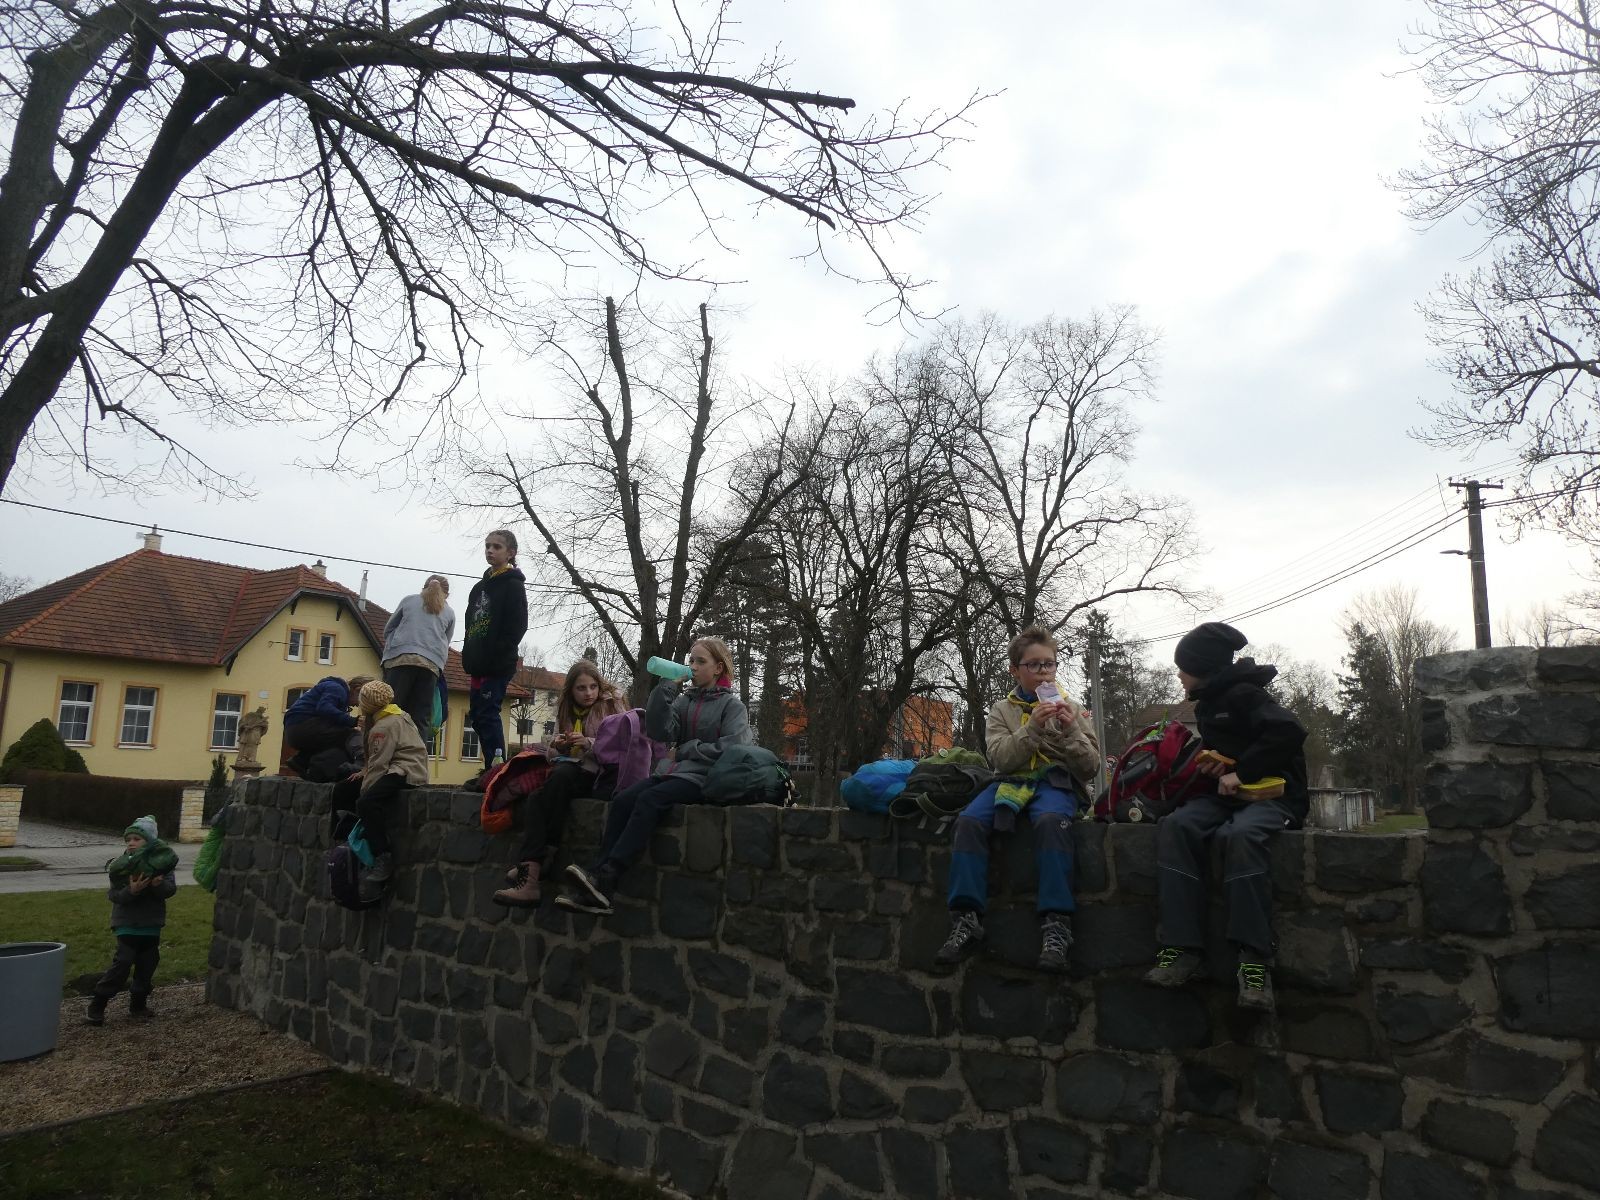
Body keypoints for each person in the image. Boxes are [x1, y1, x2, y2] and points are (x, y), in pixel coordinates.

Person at [1144, 621, 1308, 1013]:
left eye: (1183, 668)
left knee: (1240, 837)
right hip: (1231, 796)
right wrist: (1217, 765)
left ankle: (1254, 960)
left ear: (1202, 668)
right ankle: (1183, 948)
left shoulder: (1245, 694)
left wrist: (1243, 770)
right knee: (1177, 826)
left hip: (1274, 796)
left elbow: (1289, 731)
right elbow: (1234, 751)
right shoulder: (1208, 704)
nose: (1179, 675)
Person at [935, 625, 1100, 973]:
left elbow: (1090, 768)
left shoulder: (1071, 707)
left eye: (1049, 664)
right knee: (968, 822)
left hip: (1054, 781)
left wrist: (1071, 729)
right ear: (1015, 670)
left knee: (1052, 822)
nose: (1044, 672)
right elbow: (1000, 759)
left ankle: (1057, 924)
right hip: (1009, 781)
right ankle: (966, 918)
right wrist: (1032, 728)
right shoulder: (1001, 710)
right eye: (1034, 665)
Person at [557, 638, 750, 916]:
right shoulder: (684, 701)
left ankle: (609, 876)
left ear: (718, 668)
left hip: (705, 778)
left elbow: (733, 748)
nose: (693, 666)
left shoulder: (733, 707)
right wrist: (666, 688)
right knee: (623, 800)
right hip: (675, 773)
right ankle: (596, 881)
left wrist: (684, 751)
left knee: (650, 799)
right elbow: (660, 731)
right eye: (691, 660)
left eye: (700, 661)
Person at [493, 659, 628, 907]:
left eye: (592, 687)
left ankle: (535, 866)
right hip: (570, 771)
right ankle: (532, 872)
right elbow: (551, 754)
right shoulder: (565, 709)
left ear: (599, 686)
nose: (588, 693)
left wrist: (588, 743)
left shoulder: (611, 706)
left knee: (557, 781)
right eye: (581, 688)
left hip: (602, 775)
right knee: (537, 797)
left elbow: (621, 746)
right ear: (571, 690)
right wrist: (558, 746)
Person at [330, 680, 430, 902]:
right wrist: (364, 771)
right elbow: (375, 761)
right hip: (412, 767)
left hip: (403, 771)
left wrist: (366, 789)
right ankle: (343, 835)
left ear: (367, 704)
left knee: (366, 803)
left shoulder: (382, 727)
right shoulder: (397, 714)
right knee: (346, 788)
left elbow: (379, 765)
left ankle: (382, 855)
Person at [85, 816, 179, 1025]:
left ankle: (138, 1004)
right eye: (128, 840)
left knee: (147, 964)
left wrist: (157, 885)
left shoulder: (162, 864)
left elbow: (170, 890)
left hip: (151, 924)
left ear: (150, 842)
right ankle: (98, 1004)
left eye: (137, 839)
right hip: (126, 923)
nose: (131, 843)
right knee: (123, 963)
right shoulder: (122, 866)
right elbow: (114, 895)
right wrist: (132, 891)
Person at [461, 530, 528, 788]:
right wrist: (470, 654)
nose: (490, 550)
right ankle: (490, 764)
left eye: (497, 547)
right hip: (478, 663)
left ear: (510, 553)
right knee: (477, 715)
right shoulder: (479, 588)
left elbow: (517, 626)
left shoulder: (513, 585)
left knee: (489, 713)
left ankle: (498, 770)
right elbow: (470, 624)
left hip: (497, 663)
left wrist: (498, 651)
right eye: (488, 546)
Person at [381, 574, 455, 744]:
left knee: (391, 709)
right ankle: (417, 755)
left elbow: (388, 629)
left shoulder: (409, 601)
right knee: (421, 716)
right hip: (430, 666)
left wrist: (395, 645)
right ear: (447, 595)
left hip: (400, 659)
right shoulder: (449, 612)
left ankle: (386, 749)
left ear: (423, 588)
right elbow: (446, 641)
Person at [283, 675, 356, 776]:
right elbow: (325, 708)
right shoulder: (337, 688)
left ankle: (301, 760)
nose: (358, 705)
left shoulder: (330, 687)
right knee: (350, 735)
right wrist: (353, 721)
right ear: (357, 689)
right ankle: (358, 765)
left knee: (336, 735)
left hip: (293, 731)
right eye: (363, 698)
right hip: (304, 726)